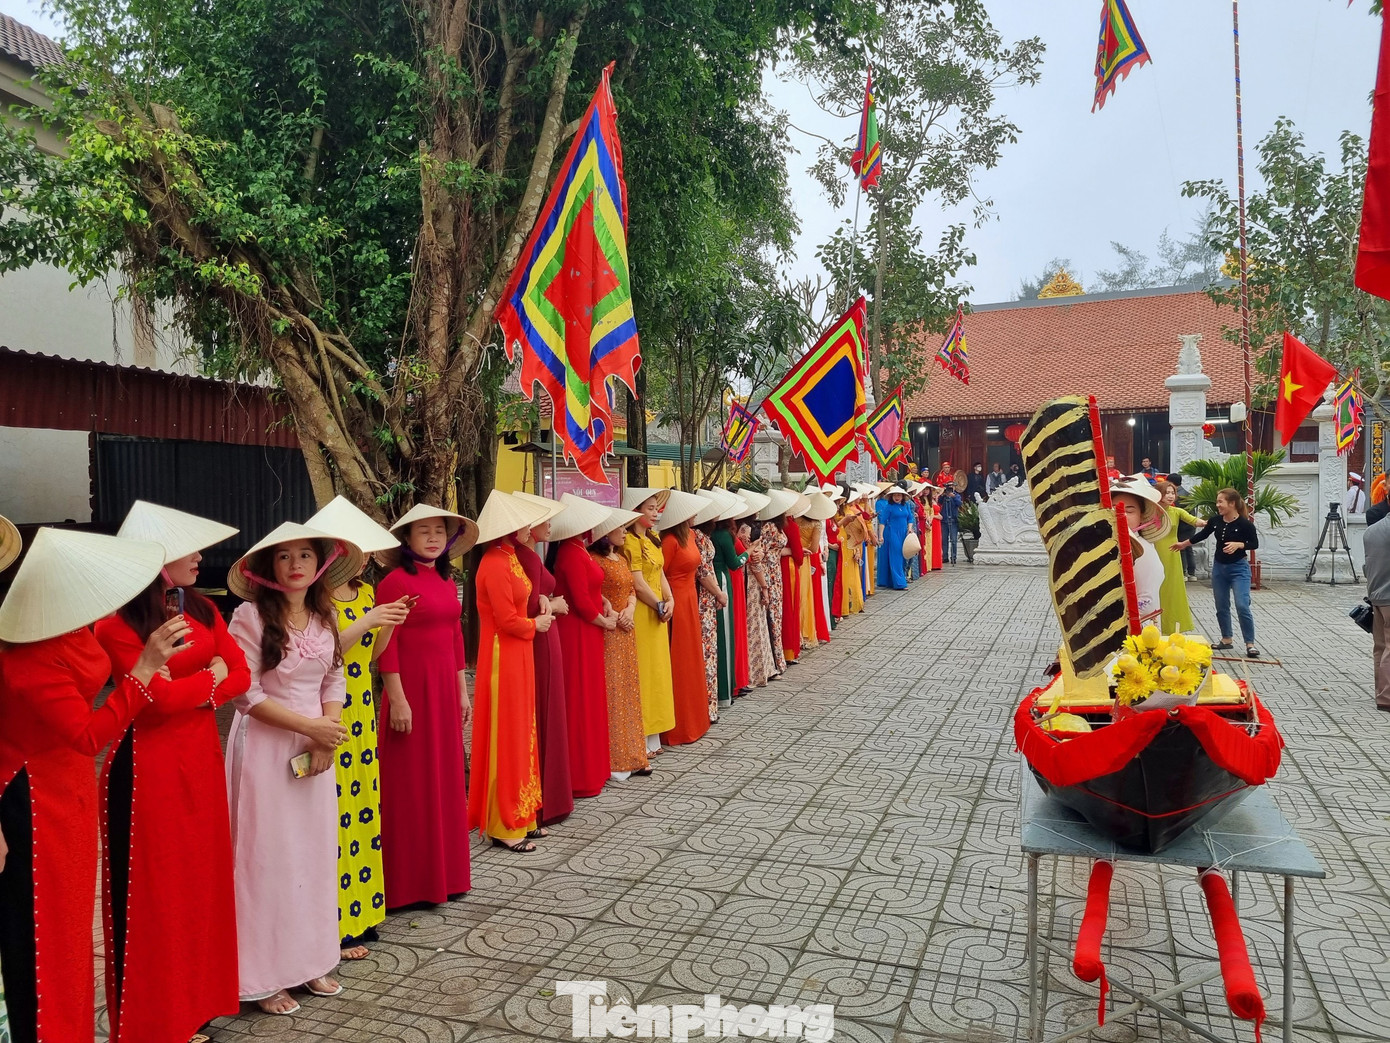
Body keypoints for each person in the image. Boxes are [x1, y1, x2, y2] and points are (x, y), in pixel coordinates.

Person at [0, 529, 181, 1043]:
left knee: (72, 931)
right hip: (32, 797)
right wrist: (143, 673)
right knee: (42, 936)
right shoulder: (25, 656)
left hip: (69, 791)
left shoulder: (69, 627)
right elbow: (86, 734)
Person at [94, 502, 247, 1042]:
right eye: (191, 548)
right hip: (146, 773)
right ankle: (153, 1020)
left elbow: (242, 672)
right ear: (158, 558)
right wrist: (211, 681)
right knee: (154, 897)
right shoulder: (117, 625)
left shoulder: (202, 610)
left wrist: (205, 684)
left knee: (199, 887)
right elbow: (153, 702)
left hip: (200, 760)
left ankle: (195, 1006)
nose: (202, 557)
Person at [226, 522, 362, 1014]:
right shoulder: (249, 618)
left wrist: (327, 730)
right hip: (264, 746)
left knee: (312, 853)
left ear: (321, 563)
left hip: (314, 746)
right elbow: (246, 694)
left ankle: (309, 960)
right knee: (267, 858)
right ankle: (263, 974)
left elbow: (334, 676)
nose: (296, 564)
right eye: (284, 557)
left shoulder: (326, 615)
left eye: (306, 554)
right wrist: (310, 729)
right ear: (268, 569)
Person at [306, 496, 412, 962]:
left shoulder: (367, 593)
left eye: (367, 550)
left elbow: (368, 654)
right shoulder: (317, 599)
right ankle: (335, 922)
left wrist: (389, 620)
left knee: (364, 807)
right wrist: (370, 620)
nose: (363, 558)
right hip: (329, 707)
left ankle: (364, 914)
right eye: (354, 549)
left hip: (362, 705)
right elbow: (326, 654)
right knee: (334, 812)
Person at [375, 503, 477, 905]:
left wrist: (462, 691)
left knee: (445, 780)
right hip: (411, 691)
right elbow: (387, 645)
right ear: (407, 539)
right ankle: (410, 884)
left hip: (443, 692)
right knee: (412, 785)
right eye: (424, 532)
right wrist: (396, 699)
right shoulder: (394, 583)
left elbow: (455, 637)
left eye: (440, 531)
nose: (434, 538)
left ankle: (448, 875)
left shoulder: (446, 581)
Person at [468, 491, 552, 852]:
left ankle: (524, 813)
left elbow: (520, 600)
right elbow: (505, 621)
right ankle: (503, 822)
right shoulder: (495, 563)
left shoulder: (510, 557)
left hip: (520, 654)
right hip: (504, 656)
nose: (527, 527)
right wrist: (538, 624)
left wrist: (540, 603)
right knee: (507, 734)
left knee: (523, 731)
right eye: (520, 522)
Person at [547, 494, 617, 801]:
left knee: (589, 698)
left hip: (587, 631)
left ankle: (594, 768)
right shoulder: (570, 553)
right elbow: (578, 599)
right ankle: (580, 773)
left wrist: (603, 601)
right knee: (579, 700)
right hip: (576, 632)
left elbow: (590, 589)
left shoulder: (580, 549)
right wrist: (604, 621)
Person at [513, 493, 578, 817]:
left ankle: (550, 796)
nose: (550, 524)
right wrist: (552, 604)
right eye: (544, 518)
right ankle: (547, 799)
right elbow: (523, 606)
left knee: (549, 709)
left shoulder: (528, 555)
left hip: (545, 634)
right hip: (539, 635)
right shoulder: (524, 556)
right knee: (545, 709)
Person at [591, 509, 651, 777]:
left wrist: (629, 610)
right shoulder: (595, 561)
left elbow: (631, 590)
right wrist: (616, 617)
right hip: (608, 630)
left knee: (629, 689)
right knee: (613, 691)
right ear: (605, 532)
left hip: (626, 628)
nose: (626, 531)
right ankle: (615, 758)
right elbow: (593, 596)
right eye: (621, 528)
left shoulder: (622, 557)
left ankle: (634, 753)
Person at [1172, 488, 1261, 657]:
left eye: (1221, 501)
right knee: (1221, 605)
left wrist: (1239, 544)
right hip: (1220, 568)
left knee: (1242, 605)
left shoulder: (1245, 524)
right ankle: (1226, 639)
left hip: (1239, 568)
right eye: (1217, 501)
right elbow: (1202, 535)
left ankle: (1250, 644)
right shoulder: (1215, 521)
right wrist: (1183, 544)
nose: (1217, 505)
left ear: (1232, 503)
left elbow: (1254, 543)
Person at [623, 489, 677, 754]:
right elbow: (637, 581)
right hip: (643, 612)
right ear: (636, 511)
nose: (656, 514)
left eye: (657, 509)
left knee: (657, 672)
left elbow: (660, 573)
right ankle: (640, 736)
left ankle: (655, 733)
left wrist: (670, 599)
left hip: (658, 610)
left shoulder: (654, 538)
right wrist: (657, 603)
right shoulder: (630, 541)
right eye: (650, 509)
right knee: (643, 671)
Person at [658, 490, 712, 746]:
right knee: (679, 660)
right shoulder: (669, 540)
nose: (695, 515)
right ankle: (679, 725)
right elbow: (659, 574)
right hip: (677, 600)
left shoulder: (689, 535)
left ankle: (696, 719)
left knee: (692, 658)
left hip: (691, 597)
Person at [691, 493, 729, 722]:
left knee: (709, 649)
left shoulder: (704, 537)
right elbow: (702, 571)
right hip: (701, 596)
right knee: (704, 649)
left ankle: (710, 704)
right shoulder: (696, 537)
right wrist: (718, 592)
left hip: (708, 594)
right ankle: (705, 705)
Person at [1111, 476, 1169, 623]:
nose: (1120, 515)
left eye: (1129, 511)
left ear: (1141, 516)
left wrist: (1115, 618)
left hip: (1135, 631)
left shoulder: (1142, 550)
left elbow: (1148, 602)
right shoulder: (1108, 547)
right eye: (1113, 509)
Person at [1152, 481, 1202, 633]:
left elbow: (1195, 521)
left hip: (1172, 554)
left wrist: (1211, 523)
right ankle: (1153, 625)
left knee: (1172, 590)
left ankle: (1172, 626)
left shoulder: (1177, 512)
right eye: (1167, 492)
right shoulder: (1149, 511)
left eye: (1172, 493)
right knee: (1155, 589)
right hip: (1153, 552)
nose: (1170, 496)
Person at [1364, 505, 1390, 711]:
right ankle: (1387, 695)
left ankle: (1381, 694)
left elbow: (1367, 566)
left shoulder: (1371, 531)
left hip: (1376, 595)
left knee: (1380, 647)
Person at [780, 497, 807, 664]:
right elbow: (798, 555)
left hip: (775, 567)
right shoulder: (791, 525)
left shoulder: (772, 525)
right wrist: (797, 554)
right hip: (788, 567)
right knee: (790, 606)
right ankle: (789, 650)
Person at [874, 486, 914, 591]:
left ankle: (891, 581)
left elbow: (910, 518)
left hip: (903, 533)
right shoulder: (889, 507)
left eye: (899, 495)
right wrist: (881, 535)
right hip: (892, 533)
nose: (897, 497)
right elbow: (882, 521)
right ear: (891, 496)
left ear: (903, 496)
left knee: (901, 556)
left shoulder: (906, 506)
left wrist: (910, 529)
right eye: (895, 495)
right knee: (896, 556)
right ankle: (900, 583)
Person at [938, 484, 960, 566]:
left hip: (953, 520)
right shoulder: (943, 496)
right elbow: (939, 502)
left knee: (953, 540)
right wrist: (942, 494)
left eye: (951, 487)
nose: (949, 489)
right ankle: (945, 557)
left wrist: (953, 497)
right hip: (944, 520)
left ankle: (953, 557)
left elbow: (959, 503)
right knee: (944, 540)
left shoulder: (956, 495)